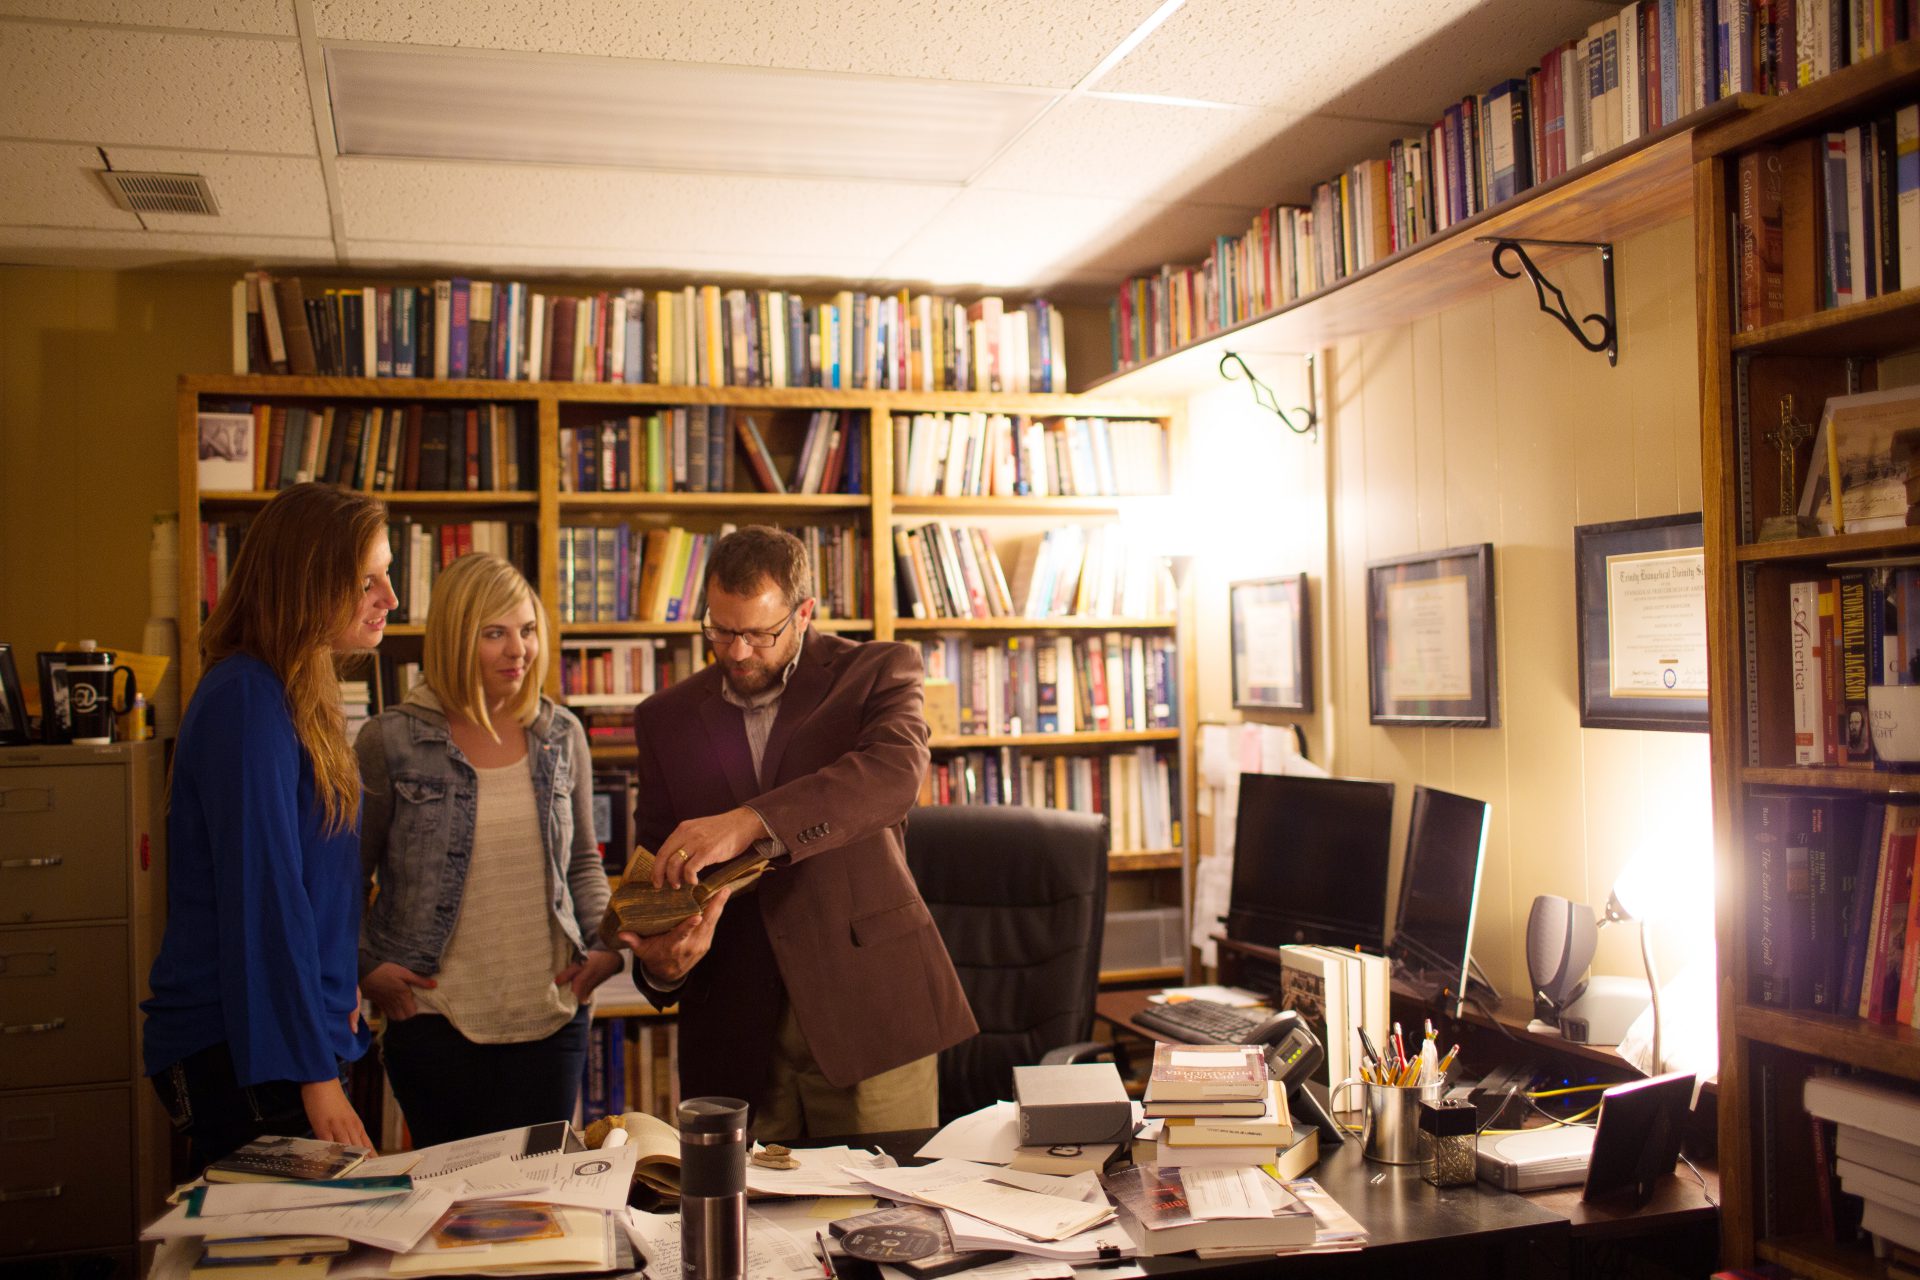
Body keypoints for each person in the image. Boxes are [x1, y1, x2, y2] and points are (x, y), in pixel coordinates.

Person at [621, 526, 976, 1140]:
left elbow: (891, 777)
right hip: (732, 1026)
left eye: (759, 633)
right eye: (721, 629)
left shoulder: (875, 672)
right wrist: (662, 968)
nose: (736, 652)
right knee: (753, 1230)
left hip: (869, 1007)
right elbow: (657, 864)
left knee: (888, 1217)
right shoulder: (664, 718)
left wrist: (747, 823)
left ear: (804, 612)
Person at [143, 483, 398, 1169]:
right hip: (248, 1047)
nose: (390, 598)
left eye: (389, 573)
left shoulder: (298, 685)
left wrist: (337, 980)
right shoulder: (246, 700)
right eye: (367, 579)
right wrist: (315, 1075)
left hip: (295, 1031)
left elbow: (319, 880)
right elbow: (266, 900)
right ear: (308, 580)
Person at [356, 553, 619, 1146]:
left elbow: (582, 862)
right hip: (431, 1020)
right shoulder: (389, 740)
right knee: (450, 1213)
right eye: (495, 633)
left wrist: (607, 947)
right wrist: (364, 966)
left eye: (527, 630)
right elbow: (346, 877)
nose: (518, 650)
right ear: (453, 638)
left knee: (539, 1206)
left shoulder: (561, 734)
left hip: (552, 1016)